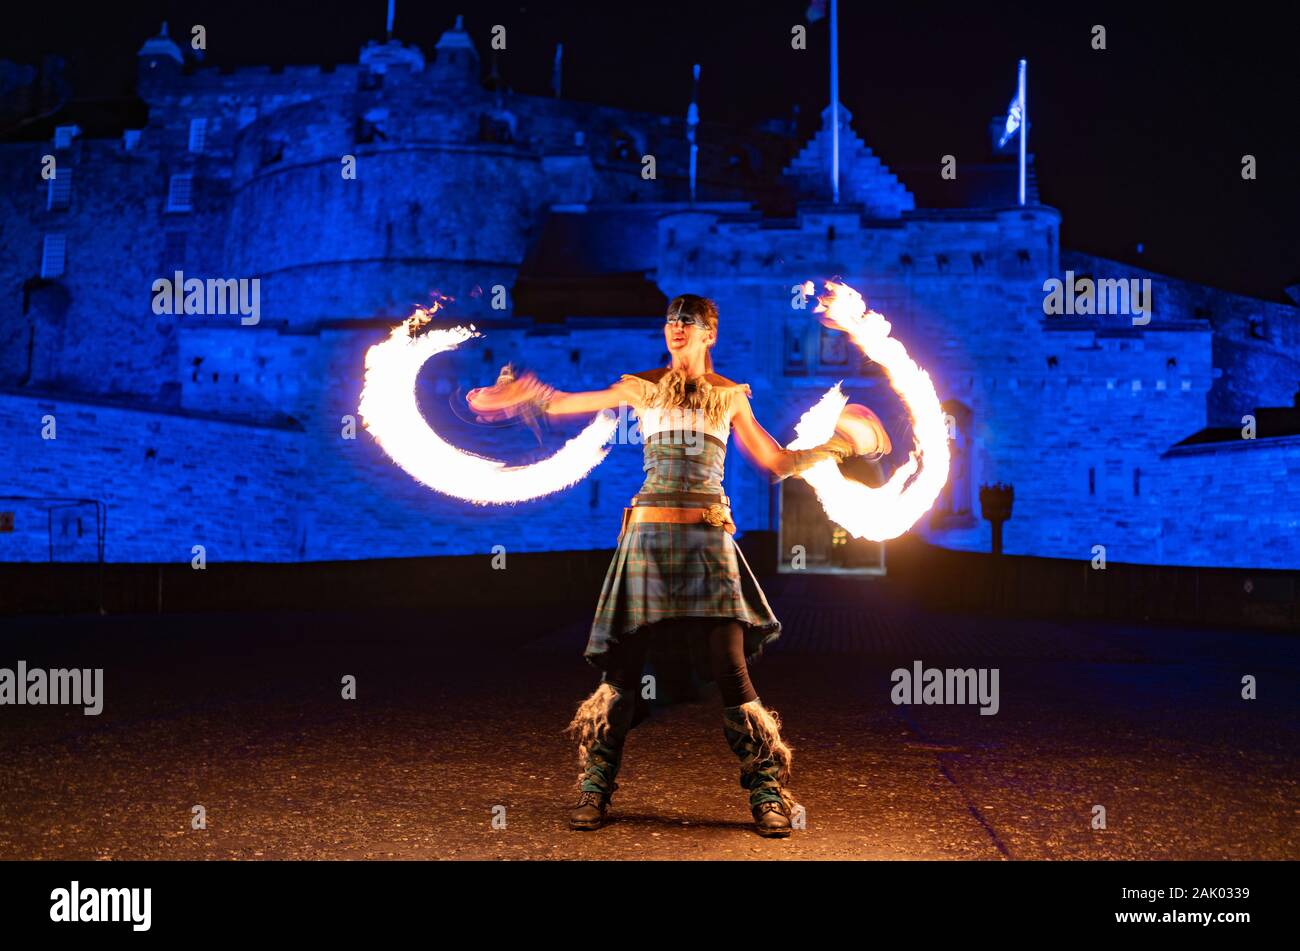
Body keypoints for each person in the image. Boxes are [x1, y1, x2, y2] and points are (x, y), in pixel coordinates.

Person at [466, 294, 890, 837]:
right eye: (670, 321)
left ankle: (767, 794)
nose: (676, 328)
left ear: (710, 332)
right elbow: (564, 404)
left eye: (687, 321)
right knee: (622, 671)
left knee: (732, 670)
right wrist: (523, 396)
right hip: (647, 535)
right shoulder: (639, 387)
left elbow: (776, 463)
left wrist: (835, 446)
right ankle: (595, 787)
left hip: (708, 539)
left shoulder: (730, 396)